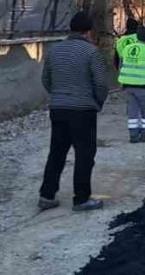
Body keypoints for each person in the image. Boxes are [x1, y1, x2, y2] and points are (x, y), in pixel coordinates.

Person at [38, 11, 110, 212]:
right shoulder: (91, 52)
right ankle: (81, 198)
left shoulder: (54, 50)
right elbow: (101, 84)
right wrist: (97, 102)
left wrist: (59, 95)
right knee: (84, 155)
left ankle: (47, 195)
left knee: (57, 152)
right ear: (89, 31)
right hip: (83, 110)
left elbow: (46, 80)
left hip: (58, 108)